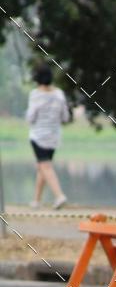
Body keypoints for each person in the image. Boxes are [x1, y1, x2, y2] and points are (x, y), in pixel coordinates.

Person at [25, 64, 70, 209]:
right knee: (43, 167)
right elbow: (65, 117)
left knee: (45, 167)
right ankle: (36, 201)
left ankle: (59, 196)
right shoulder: (59, 94)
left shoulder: (35, 95)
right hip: (54, 138)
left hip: (38, 137)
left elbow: (30, 117)